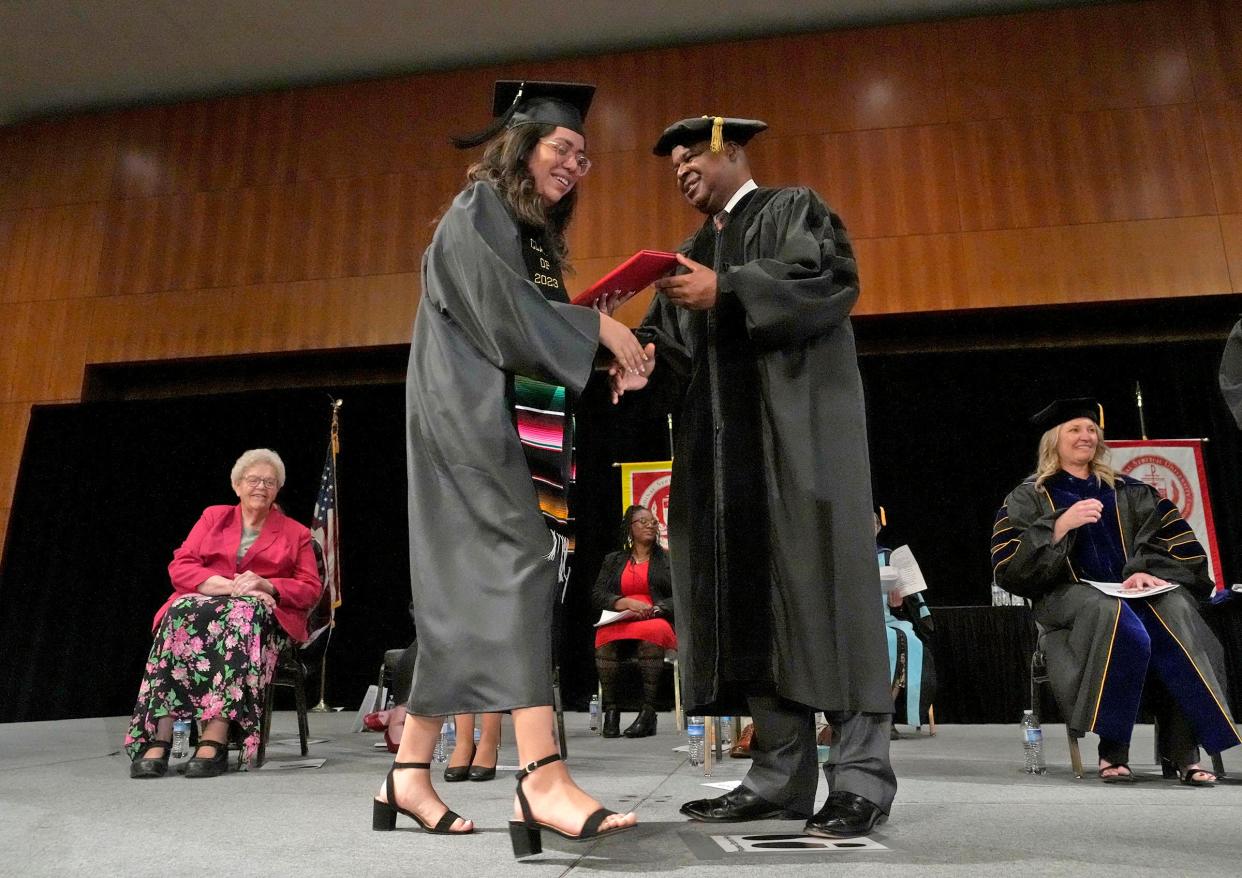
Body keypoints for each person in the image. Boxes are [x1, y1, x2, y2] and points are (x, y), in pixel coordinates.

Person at [374, 79, 644, 850]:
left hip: (490, 411)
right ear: (522, 143)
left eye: (586, 157)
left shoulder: (527, 236)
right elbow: (504, 315)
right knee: (523, 563)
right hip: (466, 417)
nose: (576, 165)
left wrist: (603, 349)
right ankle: (543, 778)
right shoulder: (478, 210)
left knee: (463, 594)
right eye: (564, 148)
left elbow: (529, 334)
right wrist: (593, 329)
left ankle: (408, 771)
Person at [627, 115, 896, 838]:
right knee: (751, 611)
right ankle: (780, 779)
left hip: (802, 448)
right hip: (724, 464)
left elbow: (833, 281)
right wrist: (637, 360)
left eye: (693, 156)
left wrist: (735, 287)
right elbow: (674, 351)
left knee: (827, 603)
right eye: (673, 163)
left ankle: (862, 780)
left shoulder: (792, 209)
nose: (681, 169)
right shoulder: (686, 254)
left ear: (732, 150)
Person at [991, 398, 1241, 783]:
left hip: (1133, 592)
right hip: (1067, 596)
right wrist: (1058, 527)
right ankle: (1113, 751)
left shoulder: (1132, 492)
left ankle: (1185, 755)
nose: (1086, 436)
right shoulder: (1028, 497)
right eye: (1075, 429)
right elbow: (1010, 568)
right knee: (1112, 614)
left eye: (1091, 430)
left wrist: (1146, 572)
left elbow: (1180, 547)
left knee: (1175, 610)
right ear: (1054, 439)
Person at [125, 448, 322, 778]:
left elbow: (310, 589)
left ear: (278, 489)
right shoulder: (213, 517)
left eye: (269, 482)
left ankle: (213, 740)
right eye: (253, 480)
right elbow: (181, 566)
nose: (260, 486)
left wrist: (267, 585)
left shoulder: (295, 533)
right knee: (179, 609)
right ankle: (159, 737)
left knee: (240, 614)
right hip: (205, 606)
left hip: (262, 625)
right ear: (237, 486)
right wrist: (229, 586)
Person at [591, 505, 676, 738]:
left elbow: (679, 595)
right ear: (630, 527)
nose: (650, 525)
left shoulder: (668, 559)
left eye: (653, 522)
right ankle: (611, 710)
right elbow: (597, 595)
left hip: (654, 616)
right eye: (643, 521)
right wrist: (624, 603)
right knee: (603, 636)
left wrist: (657, 608)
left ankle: (648, 712)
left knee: (652, 633)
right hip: (621, 616)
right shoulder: (614, 560)